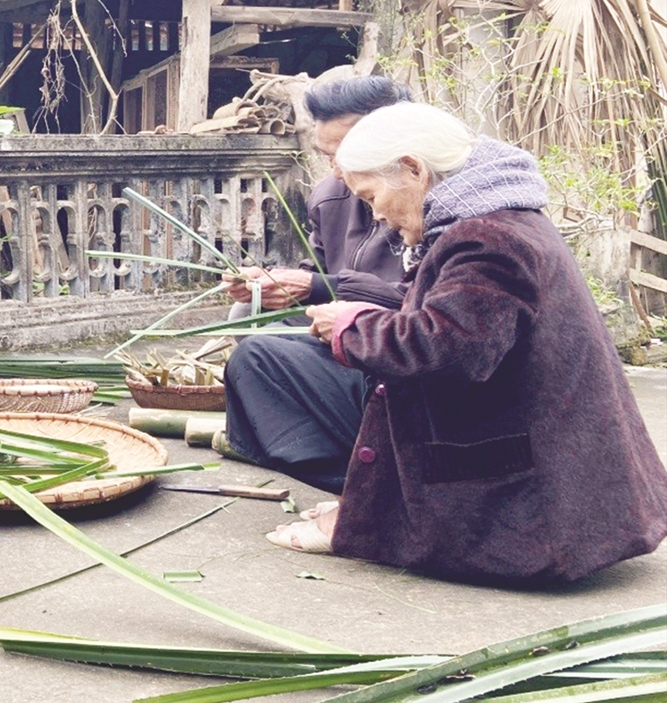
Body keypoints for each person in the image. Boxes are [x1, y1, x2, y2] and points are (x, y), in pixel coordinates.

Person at [267, 103, 667, 581]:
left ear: (412, 169)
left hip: (544, 515)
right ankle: (364, 512)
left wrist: (353, 326)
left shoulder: (487, 238)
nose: (376, 215)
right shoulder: (496, 219)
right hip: (562, 475)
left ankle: (360, 523)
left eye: (372, 195)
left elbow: (454, 349)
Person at [220, 76, 411, 491]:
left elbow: (418, 305)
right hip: (340, 329)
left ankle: (367, 481)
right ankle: (330, 456)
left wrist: (321, 287)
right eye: (328, 156)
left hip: (393, 343)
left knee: (259, 354)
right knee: (247, 321)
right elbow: (319, 270)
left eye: (347, 155)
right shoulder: (330, 195)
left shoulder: (421, 200)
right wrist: (273, 287)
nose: (338, 171)